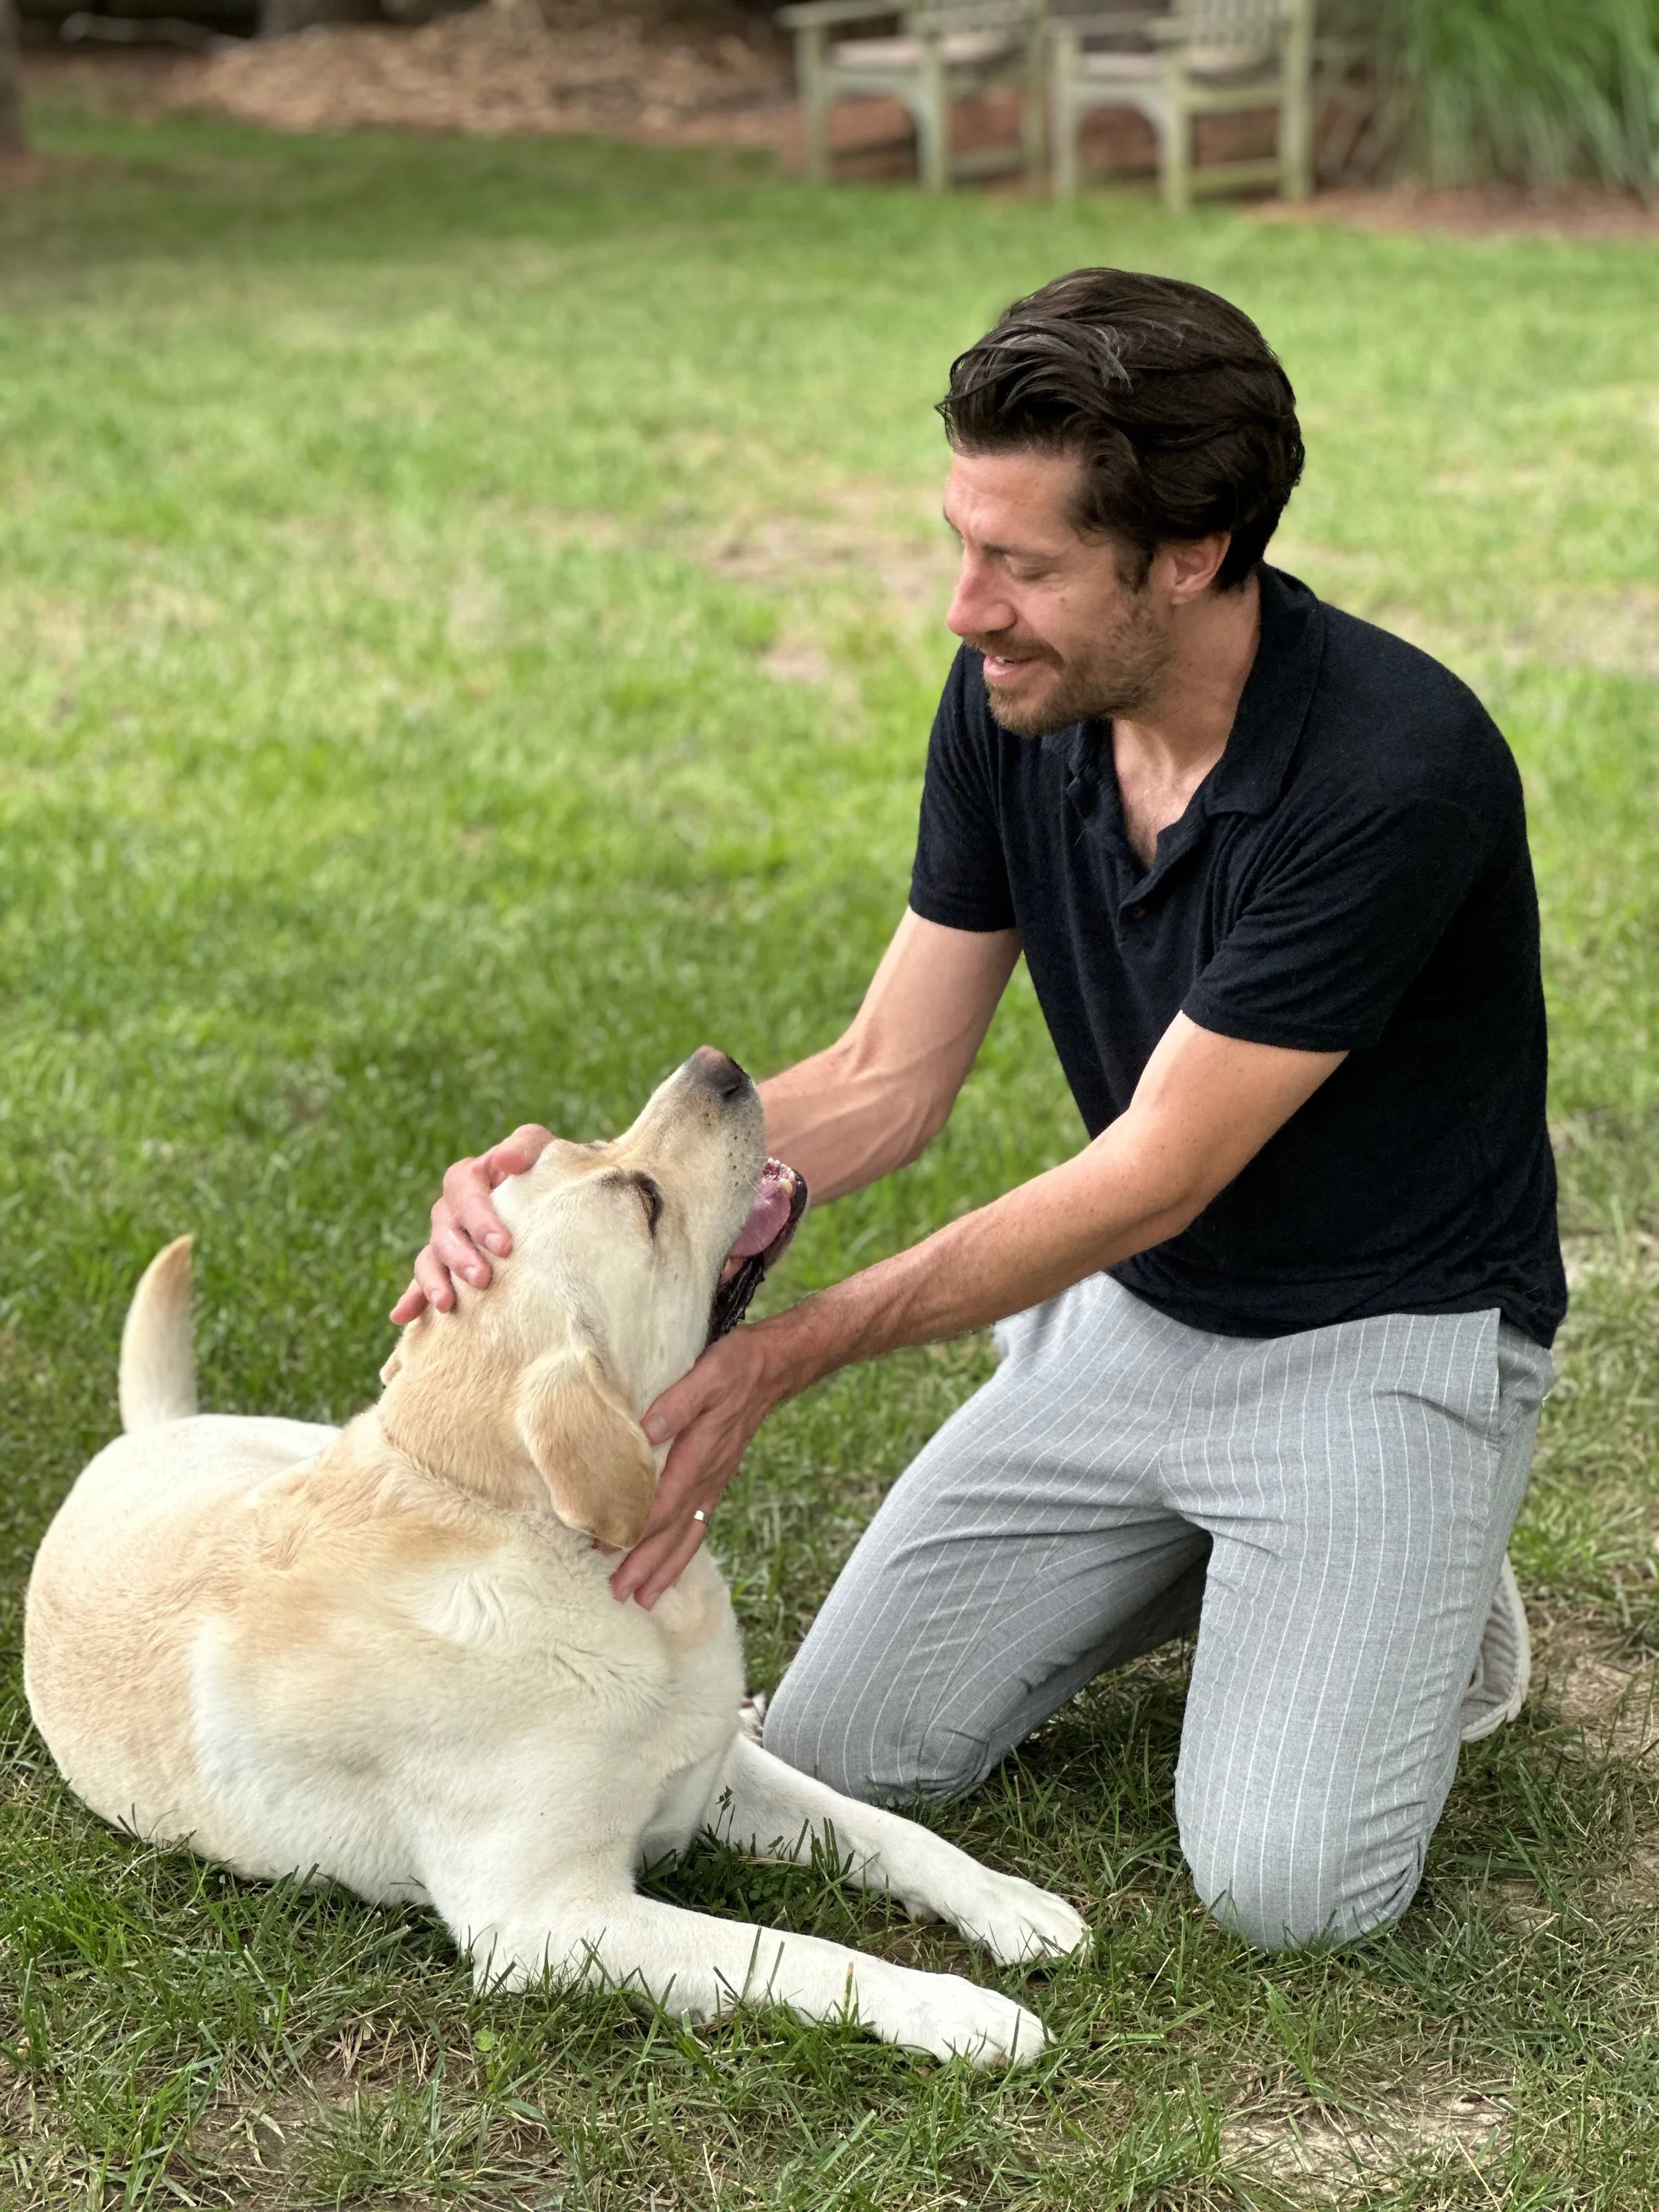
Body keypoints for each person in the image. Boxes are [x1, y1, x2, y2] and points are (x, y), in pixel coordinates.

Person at [392, 269, 1565, 1953]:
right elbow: (884, 1080)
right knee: (833, 1756)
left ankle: (1418, 1567)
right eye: (962, 541)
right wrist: (576, 1186)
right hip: (1138, 1325)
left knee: (1288, 1892)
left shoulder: (1391, 772)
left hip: (1377, 1341)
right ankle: (1275, 1571)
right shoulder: (1023, 701)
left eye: (1020, 564)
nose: (965, 607)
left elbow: (1152, 1172)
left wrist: (785, 1350)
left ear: (1189, 550)